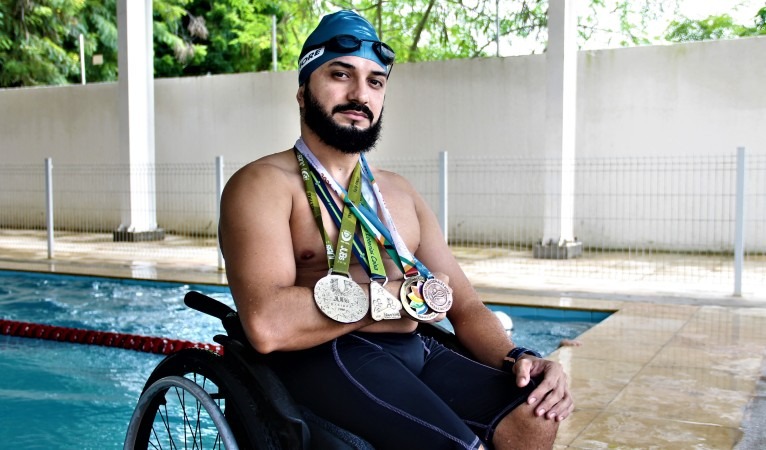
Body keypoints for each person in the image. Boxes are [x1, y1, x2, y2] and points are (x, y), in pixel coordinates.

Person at [219, 10, 573, 450]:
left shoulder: (399, 193)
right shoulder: (263, 185)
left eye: (375, 82)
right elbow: (267, 324)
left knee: (535, 413)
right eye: (340, 74)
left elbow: (463, 307)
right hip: (327, 356)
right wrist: (399, 298)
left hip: (415, 350)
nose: (358, 94)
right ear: (302, 90)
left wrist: (523, 359)